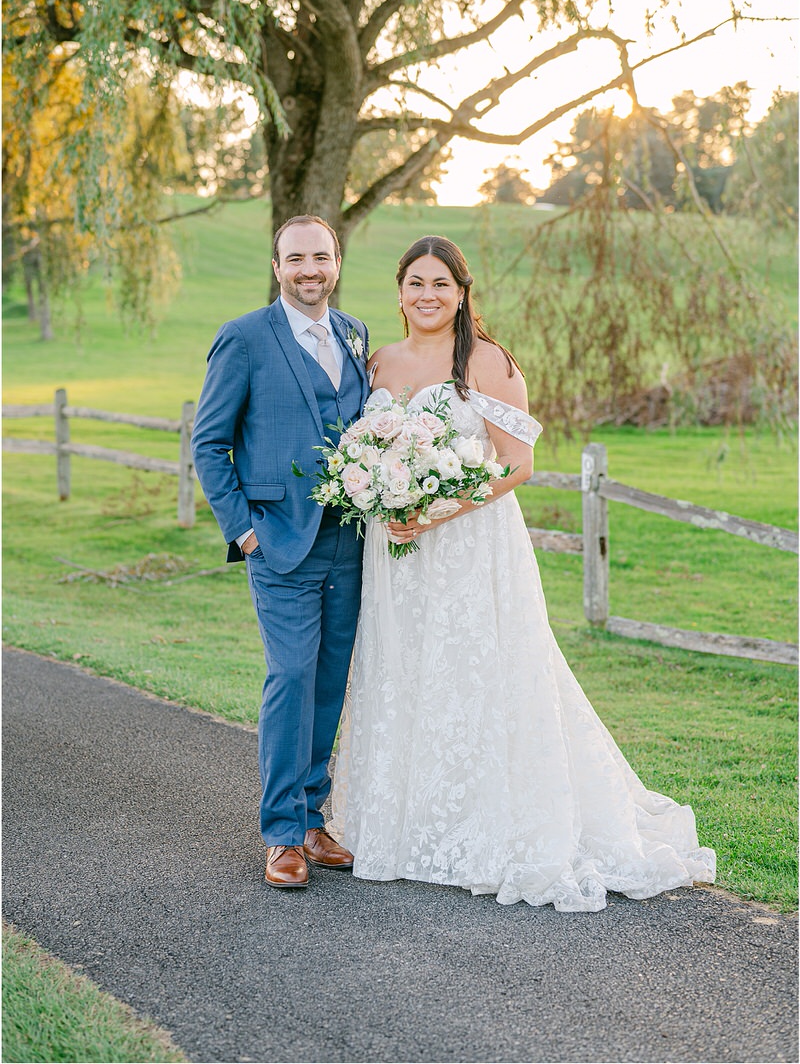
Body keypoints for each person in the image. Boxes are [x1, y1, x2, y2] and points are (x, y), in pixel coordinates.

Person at [329, 234, 716, 913]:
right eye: (416, 283)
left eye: (441, 284)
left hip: (468, 545)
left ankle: (485, 827)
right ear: (399, 292)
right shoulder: (379, 362)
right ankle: (404, 823)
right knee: (401, 670)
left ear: (461, 294)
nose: (427, 295)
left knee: (473, 672)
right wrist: (380, 494)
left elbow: (517, 463)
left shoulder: (488, 361)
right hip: (394, 554)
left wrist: (437, 509)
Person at [191, 215, 371, 889]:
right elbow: (209, 442)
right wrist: (244, 532)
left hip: (348, 540)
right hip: (279, 542)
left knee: (330, 682)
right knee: (291, 677)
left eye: (320, 257)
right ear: (277, 267)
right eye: (296, 258)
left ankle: (314, 819)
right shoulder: (243, 338)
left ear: (336, 262)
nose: (309, 270)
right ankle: (282, 835)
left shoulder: (354, 333)